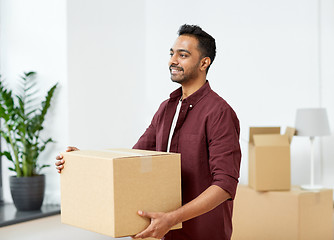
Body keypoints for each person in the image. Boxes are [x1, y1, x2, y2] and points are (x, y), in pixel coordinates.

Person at [56, 24, 241, 240]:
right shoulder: (166, 109)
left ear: (204, 62)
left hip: (204, 234)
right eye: (172, 54)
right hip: (166, 233)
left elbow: (224, 185)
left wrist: (173, 217)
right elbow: (132, 161)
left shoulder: (219, 112)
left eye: (183, 55)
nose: (173, 61)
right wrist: (84, 160)